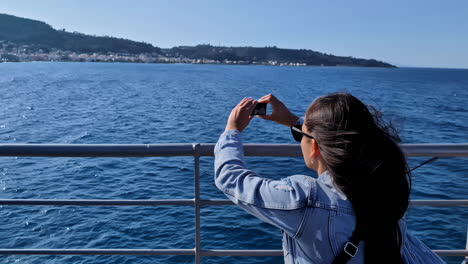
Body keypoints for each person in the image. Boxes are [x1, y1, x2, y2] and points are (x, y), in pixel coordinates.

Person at [214, 93, 445, 264]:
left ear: (314, 146)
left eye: (304, 135)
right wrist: (295, 122)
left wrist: (232, 130)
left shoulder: (305, 199)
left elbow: (231, 178)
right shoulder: (385, 189)